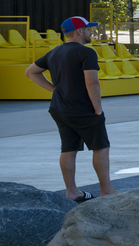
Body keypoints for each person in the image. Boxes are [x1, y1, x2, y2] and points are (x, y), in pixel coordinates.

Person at [25, 16, 115, 201]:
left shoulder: (55, 52)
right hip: (83, 109)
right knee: (101, 147)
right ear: (80, 31)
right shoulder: (86, 53)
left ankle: (72, 192)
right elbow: (92, 82)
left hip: (59, 109)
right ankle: (106, 191)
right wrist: (97, 108)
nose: (91, 32)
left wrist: (54, 89)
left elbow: (31, 72)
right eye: (88, 29)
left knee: (68, 148)